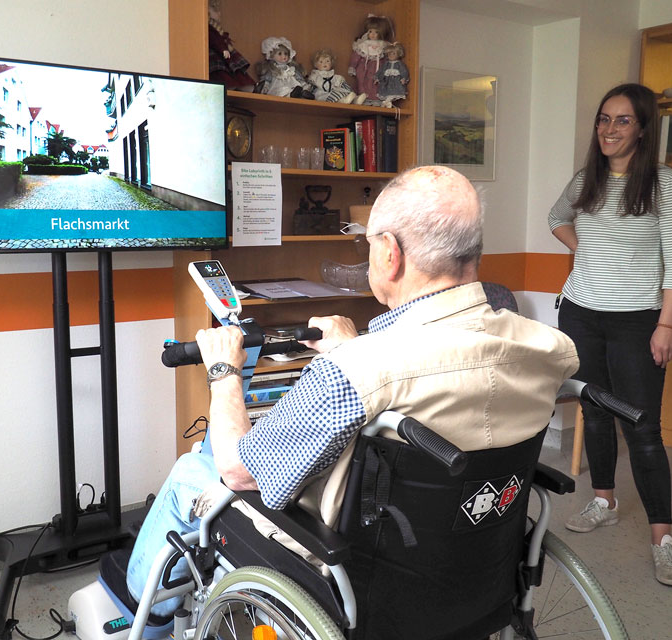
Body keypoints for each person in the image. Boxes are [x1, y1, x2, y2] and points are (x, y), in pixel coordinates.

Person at [125, 165, 580, 620]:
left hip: (348, 565)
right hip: (475, 564)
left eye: (368, 243)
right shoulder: (549, 347)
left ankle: (138, 613)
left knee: (191, 471)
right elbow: (450, 371)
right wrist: (353, 349)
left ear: (390, 253)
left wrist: (224, 371)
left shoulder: (354, 371)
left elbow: (239, 472)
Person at [547, 83, 672, 587]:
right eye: (604, 119)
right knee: (595, 411)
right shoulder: (587, 179)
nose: (609, 129)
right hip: (580, 313)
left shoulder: (665, 184)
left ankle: (663, 540)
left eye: (623, 120)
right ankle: (604, 501)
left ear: (643, 128)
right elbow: (556, 218)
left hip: (638, 320)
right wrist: (586, 250)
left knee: (643, 429)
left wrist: (667, 324)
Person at [206, 0, 255, 92]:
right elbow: (215, 40)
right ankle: (233, 86)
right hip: (217, 55)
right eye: (216, 10)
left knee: (234, 70)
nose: (219, 13)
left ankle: (244, 86)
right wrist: (223, 49)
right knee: (221, 72)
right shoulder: (209, 29)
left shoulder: (215, 29)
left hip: (222, 53)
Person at [348, 15, 391, 104]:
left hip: (378, 69)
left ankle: (376, 99)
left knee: (376, 83)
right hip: (364, 68)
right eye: (370, 31)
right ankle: (362, 97)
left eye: (376, 32)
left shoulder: (383, 45)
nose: (373, 34)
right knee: (362, 81)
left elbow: (387, 59)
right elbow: (356, 56)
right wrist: (352, 66)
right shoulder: (363, 45)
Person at [376, 41, 409, 107]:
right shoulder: (386, 64)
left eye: (393, 53)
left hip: (396, 82)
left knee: (395, 92)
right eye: (389, 54)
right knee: (385, 91)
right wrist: (377, 77)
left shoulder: (399, 64)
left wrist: (404, 78)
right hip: (387, 82)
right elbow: (381, 71)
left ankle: (388, 102)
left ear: (398, 54)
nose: (391, 55)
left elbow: (404, 71)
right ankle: (387, 102)